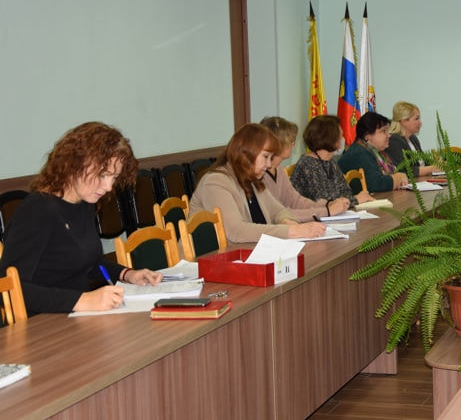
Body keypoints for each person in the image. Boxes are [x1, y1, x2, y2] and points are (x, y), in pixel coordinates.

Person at [0, 122, 162, 314]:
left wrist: (127, 274)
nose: (109, 187)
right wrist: (81, 301)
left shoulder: (84, 203)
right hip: (43, 322)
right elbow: (8, 289)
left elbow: (90, 263)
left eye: (114, 177)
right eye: (103, 175)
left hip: (77, 316)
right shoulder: (37, 210)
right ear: (74, 165)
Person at [190, 123, 326, 243]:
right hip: (204, 261)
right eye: (265, 156)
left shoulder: (252, 180)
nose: (268, 164)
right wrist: (291, 231)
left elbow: (279, 211)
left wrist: (288, 222)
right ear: (246, 153)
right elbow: (236, 231)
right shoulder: (216, 182)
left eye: (271, 158)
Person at [259, 116, 349, 218]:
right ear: (278, 144)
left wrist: (327, 204)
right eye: (291, 141)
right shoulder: (260, 174)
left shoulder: (278, 168)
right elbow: (277, 214)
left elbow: (296, 201)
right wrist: (326, 211)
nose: (293, 145)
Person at [290, 115, 376, 207]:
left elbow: (346, 191)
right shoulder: (307, 164)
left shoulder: (330, 161)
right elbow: (324, 202)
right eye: (340, 135)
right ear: (328, 138)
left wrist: (349, 200)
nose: (342, 139)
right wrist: (356, 199)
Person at [338, 112, 409, 192]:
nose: (389, 135)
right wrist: (397, 179)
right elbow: (376, 184)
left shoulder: (377, 152)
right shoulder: (359, 153)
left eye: (387, 131)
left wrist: (398, 177)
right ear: (367, 135)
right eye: (383, 131)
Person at [385, 101, 436, 177]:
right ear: (404, 121)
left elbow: (424, 163)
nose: (420, 122)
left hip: (423, 180)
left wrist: (438, 164)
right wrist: (431, 168)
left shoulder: (413, 138)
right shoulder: (393, 141)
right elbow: (405, 170)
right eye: (416, 119)